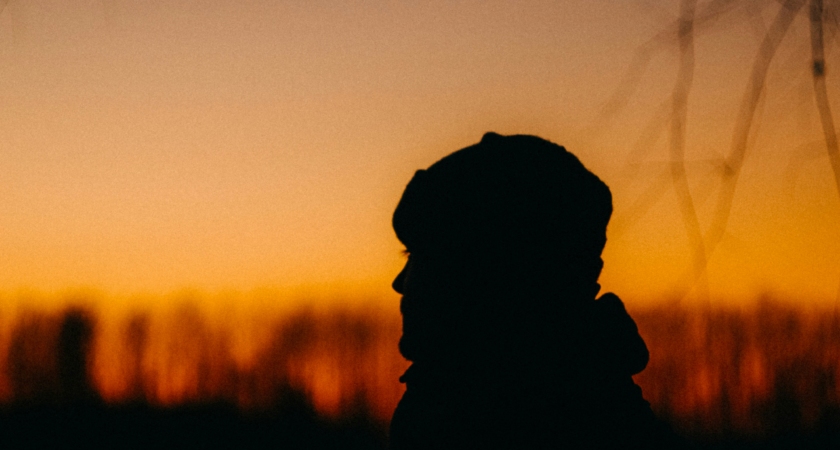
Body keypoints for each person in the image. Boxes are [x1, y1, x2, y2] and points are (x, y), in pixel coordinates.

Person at [388, 132, 685, 449]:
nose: (399, 283)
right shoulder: (593, 407)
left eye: (417, 256)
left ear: (484, 274)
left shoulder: (511, 421)